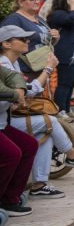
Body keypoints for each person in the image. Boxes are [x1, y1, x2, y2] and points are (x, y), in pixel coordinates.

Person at [0, 24, 74, 199]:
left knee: (42, 136)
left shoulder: (13, 62)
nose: (27, 41)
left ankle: (39, 184)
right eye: (22, 39)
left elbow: (26, 90)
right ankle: (72, 155)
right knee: (49, 122)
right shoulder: (3, 63)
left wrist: (19, 96)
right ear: (6, 44)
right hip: (6, 120)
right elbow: (27, 89)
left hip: (10, 117)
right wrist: (47, 69)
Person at [0, 63, 38, 217]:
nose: (27, 42)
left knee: (29, 145)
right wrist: (17, 94)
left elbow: (15, 77)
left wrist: (20, 90)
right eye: (22, 40)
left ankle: (9, 198)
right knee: (11, 153)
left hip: (3, 123)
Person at [47, 0, 74, 118]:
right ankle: (59, 109)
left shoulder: (71, 12)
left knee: (71, 82)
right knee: (64, 82)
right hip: (64, 52)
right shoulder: (57, 14)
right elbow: (73, 20)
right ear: (65, 0)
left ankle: (66, 108)